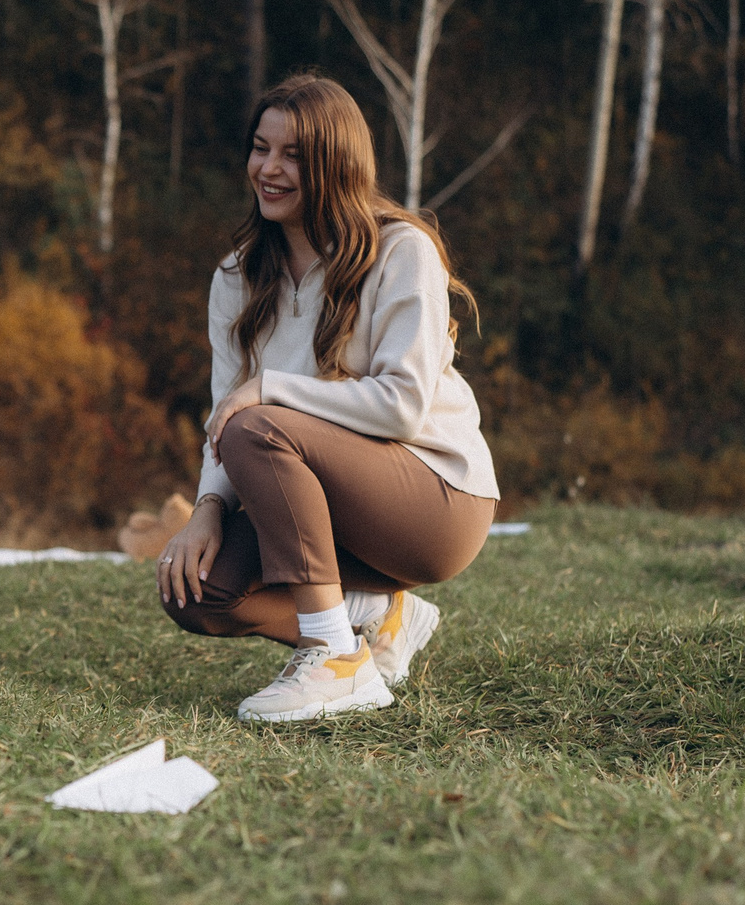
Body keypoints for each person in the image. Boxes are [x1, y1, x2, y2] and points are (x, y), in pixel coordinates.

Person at [158, 74, 499, 722]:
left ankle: (334, 658)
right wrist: (208, 508)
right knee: (194, 588)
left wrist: (270, 389)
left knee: (260, 423)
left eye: (294, 155)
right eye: (261, 148)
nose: (269, 169)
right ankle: (377, 615)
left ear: (337, 164)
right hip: (319, 501)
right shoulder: (235, 278)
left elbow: (401, 405)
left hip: (436, 501)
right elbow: (225, 414)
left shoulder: (402, 251)